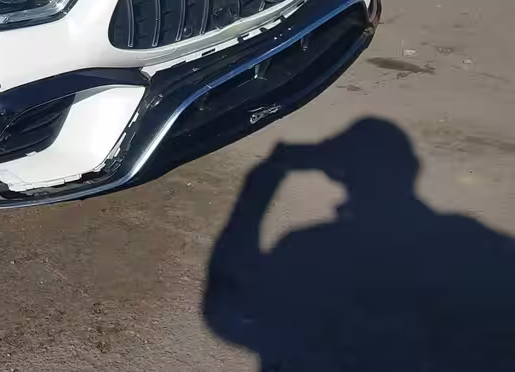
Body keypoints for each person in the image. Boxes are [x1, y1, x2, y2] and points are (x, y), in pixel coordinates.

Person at [203, 118, 515, 370]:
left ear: (336, 172)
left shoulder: (308, 251)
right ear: (413, 169)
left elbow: (227, 312)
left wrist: (261, 183)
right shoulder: (476, 245)